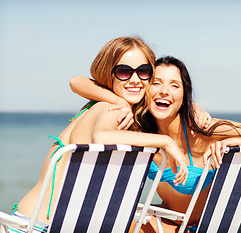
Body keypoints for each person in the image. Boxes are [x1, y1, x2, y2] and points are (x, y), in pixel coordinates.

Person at [70, 56, 241, 232]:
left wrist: (232, 142)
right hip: (165, 222)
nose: (164, 91)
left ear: (184, 95)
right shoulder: (140, 132)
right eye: (156, 83)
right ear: (145, 90)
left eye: (175, 86)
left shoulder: (202, 129)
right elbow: (77, 82)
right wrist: (119, 100)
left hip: (203, 227)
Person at [11, 37, 189, 233]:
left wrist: (193, 110)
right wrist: (166, 141)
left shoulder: (107, 108)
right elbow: (102, 136)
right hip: (38, 227)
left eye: (143, 71)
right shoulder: (108, 109)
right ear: (108, 75)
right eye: (124, 71)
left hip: (36, 222)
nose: (135, 79)